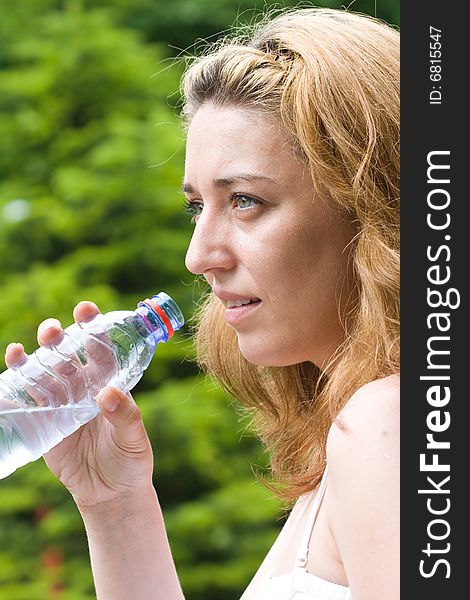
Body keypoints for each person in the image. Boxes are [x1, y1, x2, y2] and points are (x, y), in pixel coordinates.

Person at [5, 7, 399, 600]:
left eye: (244, 201)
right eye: (197, 207)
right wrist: (114, 504)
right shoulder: (354, 438)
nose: (198, 255)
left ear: (370, 210)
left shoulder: (384, 424)